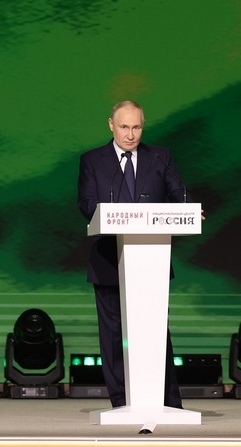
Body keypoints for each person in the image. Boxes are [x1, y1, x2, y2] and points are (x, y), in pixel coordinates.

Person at [77, 100, 186, 409]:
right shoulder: (92, 160)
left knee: (155, 333)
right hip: (109, 259)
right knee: (113, 336)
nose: (130, 134)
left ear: (143, 125)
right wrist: (112, 215)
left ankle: (167, 402)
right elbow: (86, 203)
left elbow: (179, 193)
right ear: (111, 125)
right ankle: (122, 402)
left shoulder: (160, 157)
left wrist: (189, 208)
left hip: (151, 259)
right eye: (124, 127)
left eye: (136, 127)